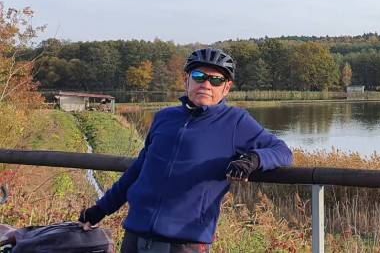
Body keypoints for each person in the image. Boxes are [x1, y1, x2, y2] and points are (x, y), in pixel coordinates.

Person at [78, 48, 293, 252]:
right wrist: (101, 210)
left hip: (185, 242)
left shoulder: (235, 122)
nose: (206, 84)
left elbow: (282, 151)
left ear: (226, 88)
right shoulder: (164, 118)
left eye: (216, 79)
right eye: (199, 76)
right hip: (136, 234)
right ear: (186, 80)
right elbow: (137, 171)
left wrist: (253, 159)